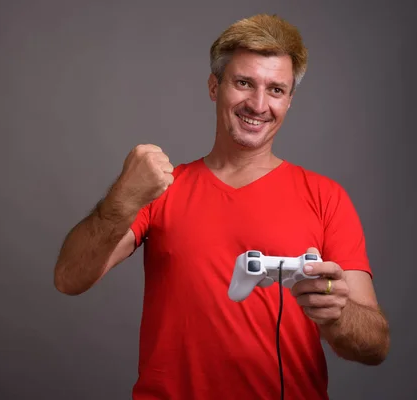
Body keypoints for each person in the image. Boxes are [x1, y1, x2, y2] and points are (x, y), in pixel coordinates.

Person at [53, 13, 390, 400]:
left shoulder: (325, 197)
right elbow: (69, 278)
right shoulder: (162, 189)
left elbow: (374, 347)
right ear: (215, 86)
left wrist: (337, 314)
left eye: (276, 90)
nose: (258, 104)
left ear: (290, 100)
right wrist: (122, 199)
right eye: (244, 83)